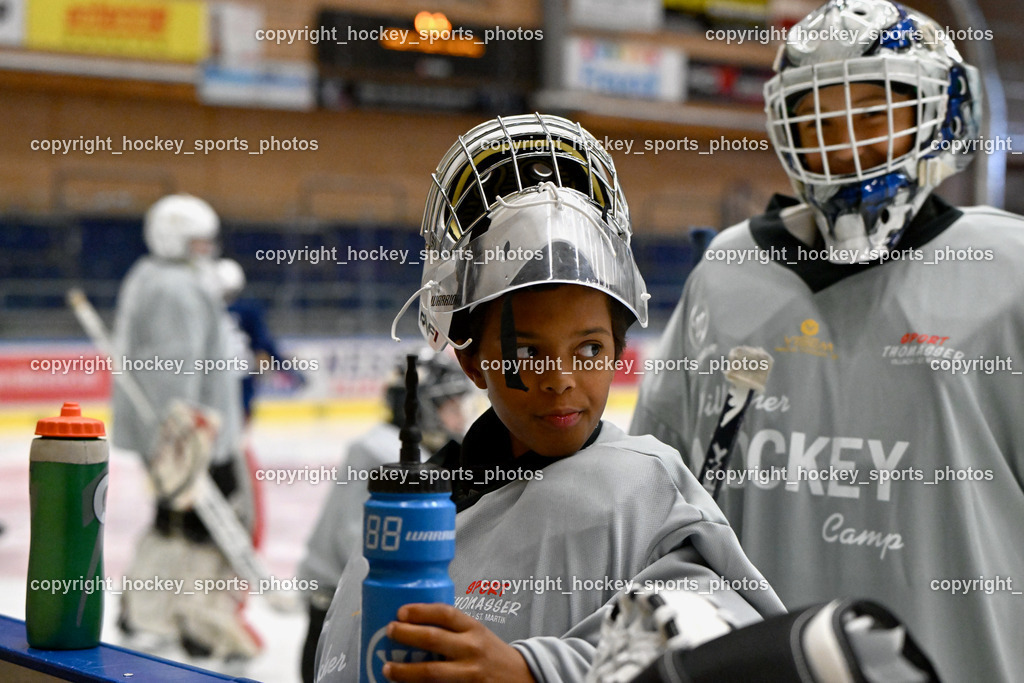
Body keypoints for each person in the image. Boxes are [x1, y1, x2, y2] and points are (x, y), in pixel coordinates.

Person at [314, 113, 784, 683]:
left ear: (618, 350)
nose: (560, 378)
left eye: (588, 350)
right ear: (470, 359)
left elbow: (723, 649)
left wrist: (531, 671)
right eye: (528, 353)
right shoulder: (412, 514)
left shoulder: (646, 492)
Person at [631, 2, 1024, 682]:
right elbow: (653, 507)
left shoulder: (1011, 271)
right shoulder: (727, 275)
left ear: (939, 112)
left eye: (872, 113)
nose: (842, 145)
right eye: (818, 116)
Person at [111, 194, 261, 661]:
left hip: (185, 436)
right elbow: (173, 374)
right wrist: (184, 445)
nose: (207, 249)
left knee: (175, 523)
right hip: (196, 439)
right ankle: (194, 622)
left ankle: (145, 613)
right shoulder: (175, 287)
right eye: (198, 241)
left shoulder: (157, 276)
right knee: (207, 529)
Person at [297, 351, 473, 683]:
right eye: (451, 406)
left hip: (359, 605)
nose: (459, 417)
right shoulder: (380, 453)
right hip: (342, 613)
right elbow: (358, 540)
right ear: (421, 405)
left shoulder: (405, 452)